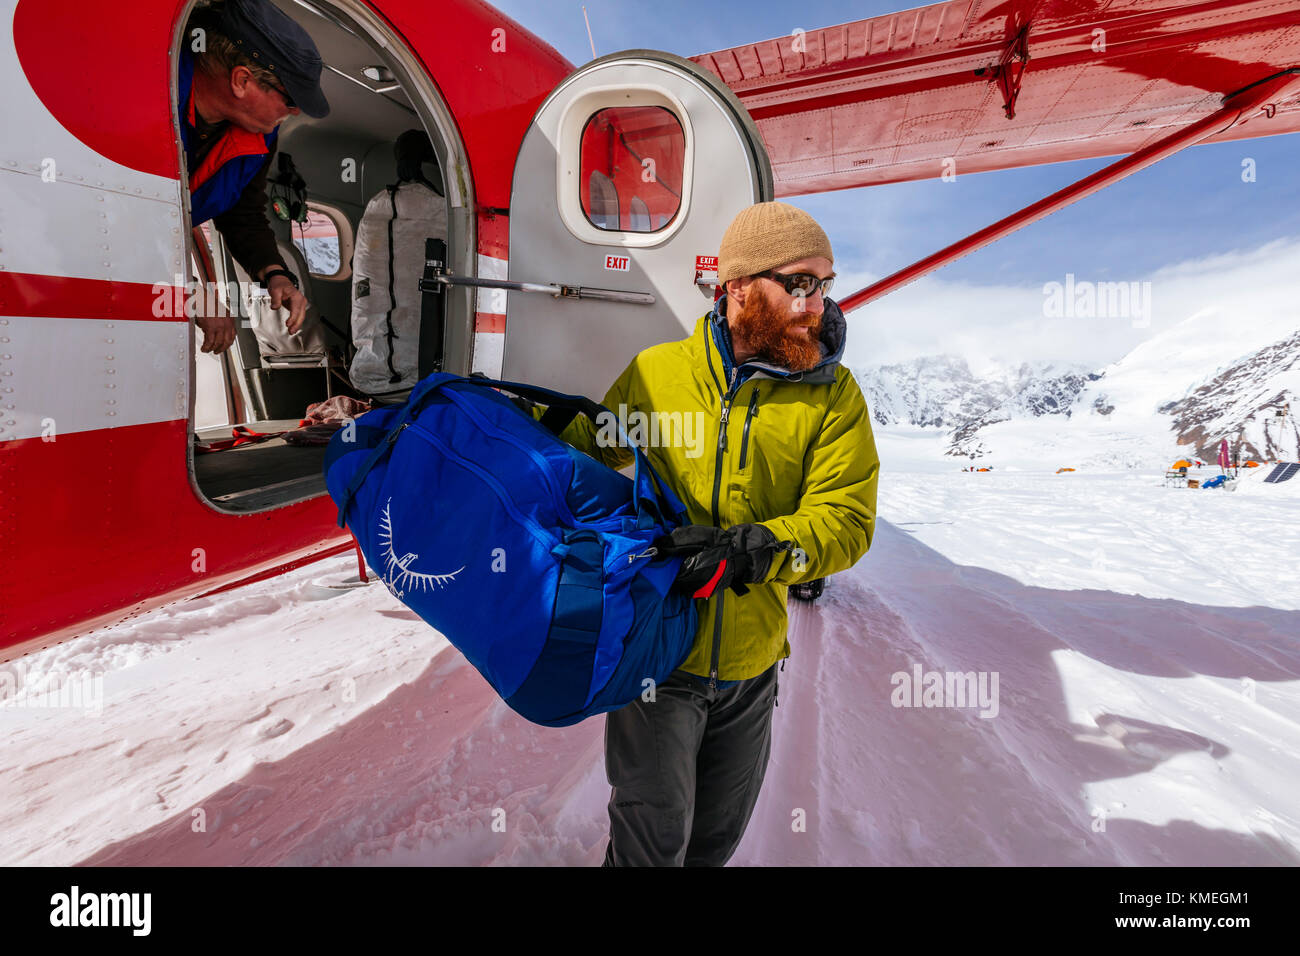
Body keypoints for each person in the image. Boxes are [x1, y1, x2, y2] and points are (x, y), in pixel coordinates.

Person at [539, 201, 879, 866]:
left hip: (752, 670)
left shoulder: (833, 397)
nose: (817, 304)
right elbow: (580, 454)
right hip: (660, 660)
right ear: (739, 287)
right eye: (799, 283)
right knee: (651, 844)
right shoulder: (657, 375)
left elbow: (845, 520)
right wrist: (489, 420)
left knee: (713, 845)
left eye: (826, 284)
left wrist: (754, 552)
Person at [180, 0, 329, 354]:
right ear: (242, 80)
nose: (294, 113)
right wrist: (193, 293)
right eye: (291, 100)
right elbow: (127, 211)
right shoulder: (150, 98)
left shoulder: (259, 139)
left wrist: (275, 274)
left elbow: (242, 215)